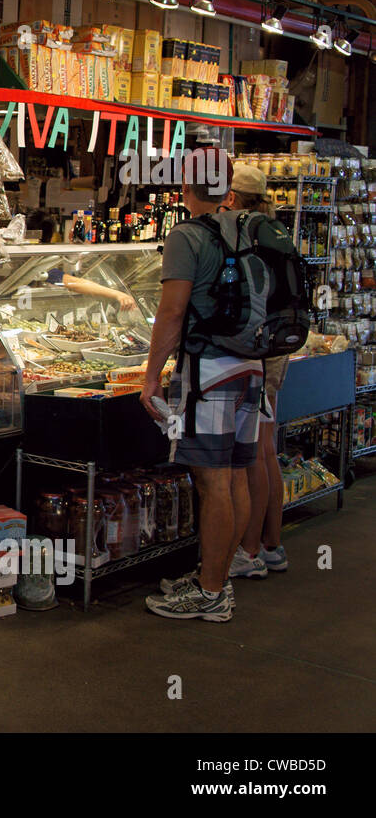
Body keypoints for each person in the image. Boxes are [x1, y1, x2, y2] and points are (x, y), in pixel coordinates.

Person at [140, 146, 261, 622]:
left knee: (212, 483)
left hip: (209, 372)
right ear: (228, 189)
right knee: (233, 476)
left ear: (185, 188)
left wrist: (152, 376)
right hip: (250, 364)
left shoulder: (187, 235)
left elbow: (172, 312)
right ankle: (219, 576)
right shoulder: (246, 227)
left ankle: (211, 592)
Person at [217, 164, 290, 577]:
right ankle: (272, 545)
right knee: (267, 447)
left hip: (258, 347)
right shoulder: (274, 231)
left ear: (231, 197)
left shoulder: (244, 234)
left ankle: (248, 552)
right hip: (277, 343)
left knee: (254, 453)